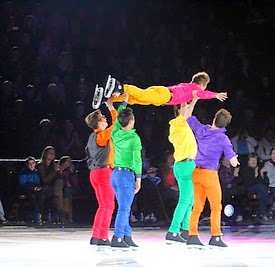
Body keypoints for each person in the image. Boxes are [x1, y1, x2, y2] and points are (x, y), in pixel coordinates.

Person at [184, 91, 239, 248]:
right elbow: (233, 161)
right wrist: (236, 161)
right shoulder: (223, 138)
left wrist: (193, 98)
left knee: (198, 206)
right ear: (225, 124)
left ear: (215, 119)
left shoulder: (202, 130)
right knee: (216, 206)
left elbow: (187, 116)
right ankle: (215, 236)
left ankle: (192, 234)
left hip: (196, 173)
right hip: (209, 175)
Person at [110, 92, 142, 249]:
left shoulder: (116, 132)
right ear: (131, 121)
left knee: (124, 207)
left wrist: (125, 102)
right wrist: (139, 179)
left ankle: (127, 236)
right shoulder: (134, 138)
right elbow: (137, 160)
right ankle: (117, 238)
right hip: (125, 176)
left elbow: (117, 118)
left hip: (115, 175)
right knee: (124, 208)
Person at [85, 96, 116, 247]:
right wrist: (111, 107)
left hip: (95, 173)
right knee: (108, 205)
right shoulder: (101, 135)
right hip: (103, 172)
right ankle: (102, 236)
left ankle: (96, 236)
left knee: (103, 205)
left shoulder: (92, 136)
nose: (105, 119)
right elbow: (116, 125)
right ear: (99, 123)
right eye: (103, 118)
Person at [97, 72, 227, 108]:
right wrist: (215, 95)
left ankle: (110, 98)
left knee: (135, 100)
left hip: (163, 95)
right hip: (165, 96)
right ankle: (120, 87)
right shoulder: (195, 89)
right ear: (202, 84)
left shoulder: (187, 85)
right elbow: (203, 94)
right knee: (140, 95)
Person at [165, 103, 197, 244]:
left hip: (186, 164)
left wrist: (195, 98)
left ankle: (185, 229)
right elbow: (187, 109)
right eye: (185, 107)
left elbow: (189, 111)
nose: (188, 109)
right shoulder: (179, 122)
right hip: (185, 165)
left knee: (190, 201)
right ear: (179, 110)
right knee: (185, 200)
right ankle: (173, 230)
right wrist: (189, 98)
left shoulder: (182, 124)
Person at [239, 153, 275, 221]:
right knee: (261, 187)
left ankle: (263, 214)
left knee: (261, 192)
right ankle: (271, 203)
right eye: (252, 160)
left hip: (260, 188)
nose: (253, 162)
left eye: (255, 160)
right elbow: (248, 182)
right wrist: (256, 174)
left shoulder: (260, 168)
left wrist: (261, 174)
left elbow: (265, 181)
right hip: (249, 187)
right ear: (248, 161)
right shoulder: (245, 169)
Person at [36, 146, 64, 222]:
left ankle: (56, 216)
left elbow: (57, 178)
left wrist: (60, 171)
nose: (52, 154)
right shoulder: (40, 166)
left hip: (52, 187)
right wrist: (54, 171)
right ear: (45, 154)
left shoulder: (54, 165)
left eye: (53, 153)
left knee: (56, 191)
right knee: (50, 192)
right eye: (50, 153)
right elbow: (44, 180)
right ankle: (51, 216)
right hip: (42, 186)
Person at [18, 156, 43, 223]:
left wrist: (38, 187)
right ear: (26, 165)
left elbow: (39, 182)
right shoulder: (23, 172)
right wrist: (33, 188)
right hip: (26, 190)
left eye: (33, 163)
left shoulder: (36, 172)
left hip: (35, 189)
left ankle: (40, 214)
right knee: (32, 197)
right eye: (30, 164)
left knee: (41, 196)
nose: (31, 165)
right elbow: (22, 184)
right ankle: (36, 215)